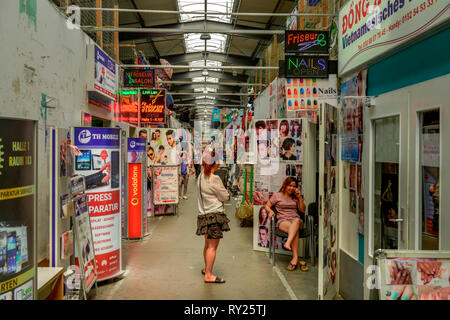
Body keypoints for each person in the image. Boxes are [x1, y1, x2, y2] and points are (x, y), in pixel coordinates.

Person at [196, 148, 230, 284]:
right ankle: (209, 274)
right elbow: (225, 196)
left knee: (207, 245)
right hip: (214, 215)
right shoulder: (214, 178)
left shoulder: (200, 177)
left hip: (203, 215)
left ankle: (206, 269)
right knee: (212, 247)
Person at [265, 177, 307, 271]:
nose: (291, 188)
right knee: (294, 230)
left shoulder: (296, 197)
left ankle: (288, 243)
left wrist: (300, 198)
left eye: (294, 186)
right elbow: (267, 205)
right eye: (290, 185)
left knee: (296, 221)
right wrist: (270, 211)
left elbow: (302, 210)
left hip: (296, 220)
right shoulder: (277, 195)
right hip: (283, 221)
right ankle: (295, 258)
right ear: (285, 185)